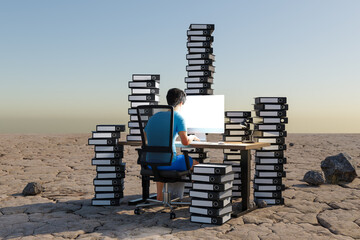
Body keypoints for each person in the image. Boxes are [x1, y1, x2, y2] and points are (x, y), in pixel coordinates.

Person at [144, 88, 200, 201]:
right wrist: (193, 137)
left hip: (150, 163)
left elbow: (144, 141)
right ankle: (198, 196)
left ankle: (160, 196)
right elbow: (185, 142)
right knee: (195, 164)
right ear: (181, 103)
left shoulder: (154, 117)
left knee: (159, 160)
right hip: (170, 163)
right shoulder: (179, 118)